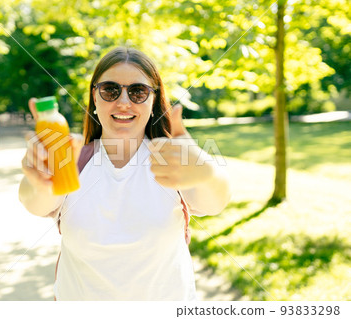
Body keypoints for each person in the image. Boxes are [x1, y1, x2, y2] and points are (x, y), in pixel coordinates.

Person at [19, 47, 231, 301]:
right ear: (94, 98)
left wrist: (206, 172)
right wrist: (40, 179)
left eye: (138, 92)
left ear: (153, 101)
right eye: (110, 90)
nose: (123, 102)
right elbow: (33, 202)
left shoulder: (171, 161)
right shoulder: (72, 159)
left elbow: (217, 201)